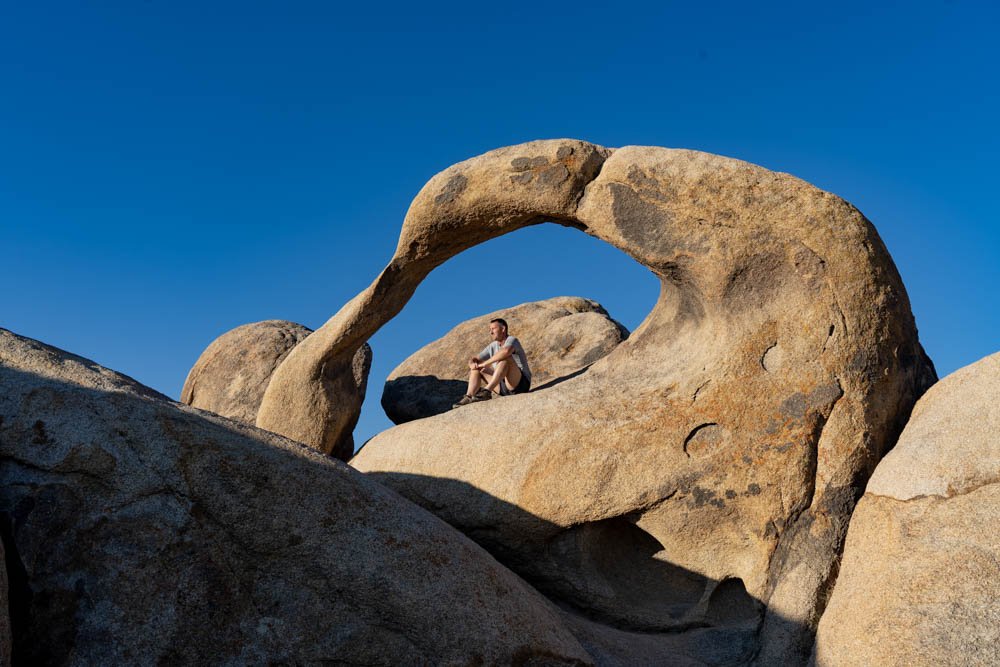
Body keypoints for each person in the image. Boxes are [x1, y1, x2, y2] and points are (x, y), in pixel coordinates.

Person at [452, 317, 531, 408]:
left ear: (503, 329)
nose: (491, 332)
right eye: (490, 330)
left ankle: (486, 391)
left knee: (505, 359)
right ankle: (469, 396)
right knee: (477, 368)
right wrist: (472, 364)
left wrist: (485, 363)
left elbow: (506, 352)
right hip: (502, 387)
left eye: (493, 329)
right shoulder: (493, 346)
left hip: (520, 384)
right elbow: (475, 358)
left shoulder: (512, 340)